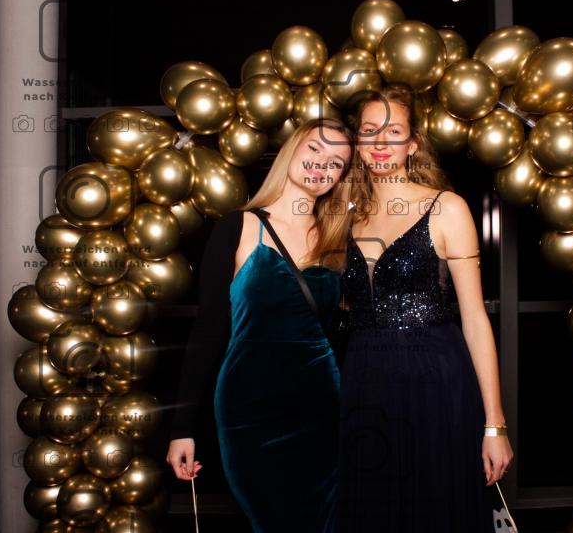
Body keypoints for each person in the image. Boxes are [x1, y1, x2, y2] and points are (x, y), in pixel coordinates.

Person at [336, 86, 514, 532]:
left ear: (413, 143)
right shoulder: (343, 213)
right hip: (362, 380)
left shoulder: (446, 208)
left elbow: (475, 319)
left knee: (436, 507)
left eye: (393, 132)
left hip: (435, 380)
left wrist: (495, 425)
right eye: (369, 131)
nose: (380, 143)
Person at [165, 117, 354, 532]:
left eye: (336, 162)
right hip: (248, 411)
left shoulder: (340, 241)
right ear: (292, 150)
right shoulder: (239, 226)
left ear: (341, 178)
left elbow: (348, 335)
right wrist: (182, 428)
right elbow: (207, 332)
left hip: (322, 409)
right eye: (315, 149)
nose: (322, 164)